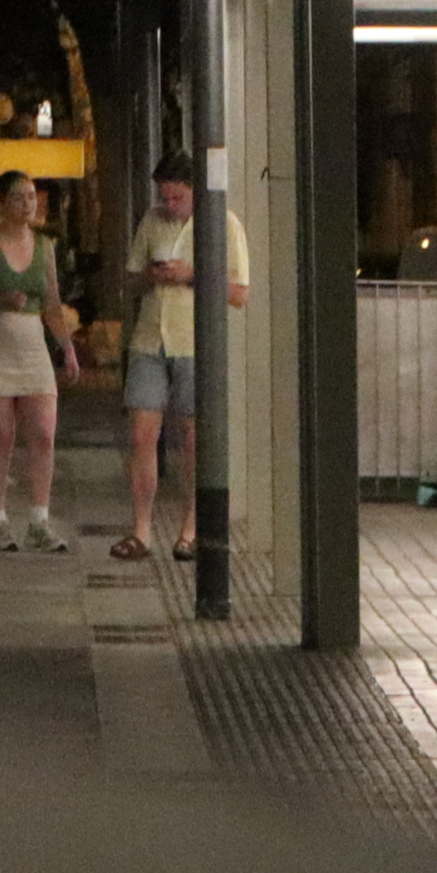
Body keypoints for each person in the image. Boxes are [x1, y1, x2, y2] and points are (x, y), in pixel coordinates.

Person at [114, 152, 247, 565]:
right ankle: (141, 529)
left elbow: (239, 293)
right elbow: (131, 278)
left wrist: (192, 275)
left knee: (193, 439)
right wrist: (152, 275)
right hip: (151, 339)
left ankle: (190, 529)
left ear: (195, 192)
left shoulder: (224, 223)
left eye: (178, 198)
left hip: (194, 342)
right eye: (165, 198)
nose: (170, 206)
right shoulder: (152, 222)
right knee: (142, 436)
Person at [0, 171, 77, 552]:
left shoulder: (45, 246)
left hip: (33, 350)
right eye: (18, 198)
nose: (27, 205)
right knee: (0, 437)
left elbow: (53, 303)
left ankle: (39, 521)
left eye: (31, 197)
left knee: (43, 434)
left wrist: (67, 348)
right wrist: (1, 300)